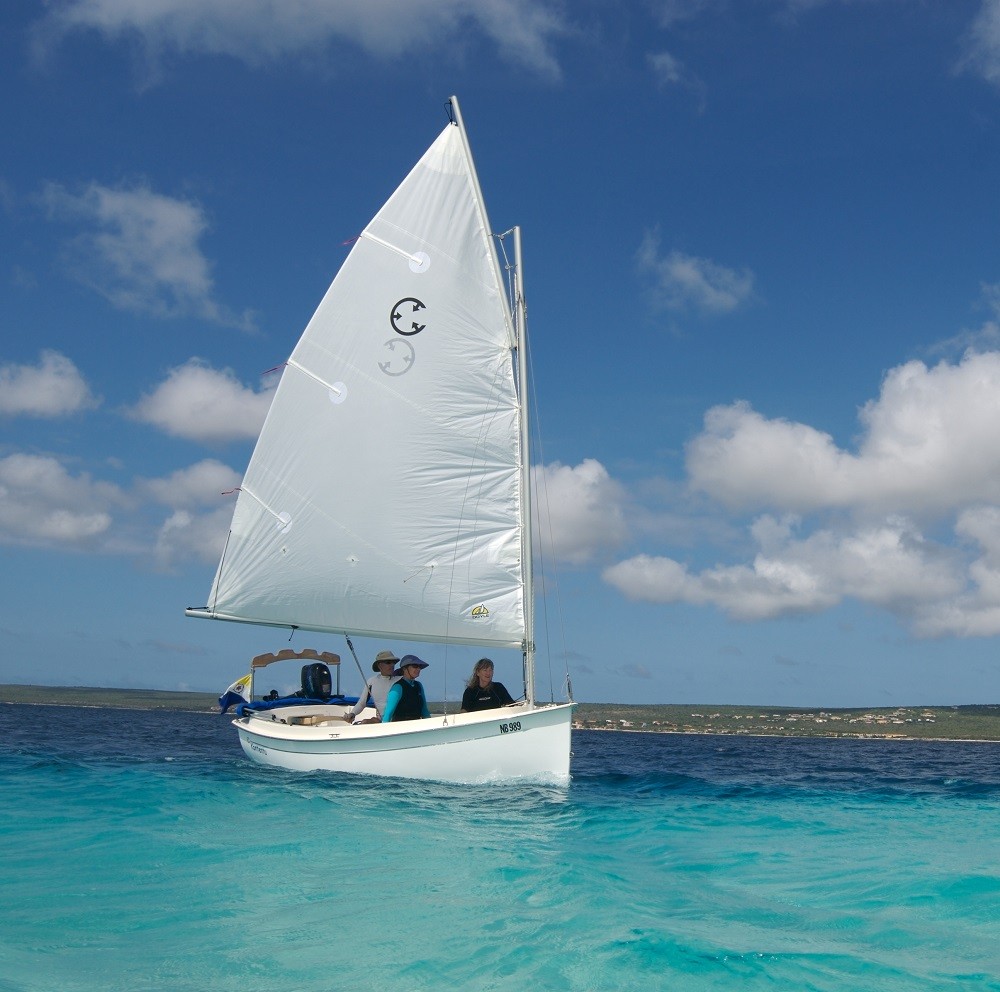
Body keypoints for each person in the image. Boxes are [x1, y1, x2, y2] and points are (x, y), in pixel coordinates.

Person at [344, 650, 400, 723]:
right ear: (379, 665)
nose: (392, 665)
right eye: (388, 662)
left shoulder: (400, 680)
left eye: (393, 663)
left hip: (398, 720)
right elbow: (362, 703)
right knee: (364, 722)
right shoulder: (371, 682)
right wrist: (352, 713)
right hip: (380, 721)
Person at [381, 655, 431, 722]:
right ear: (404, 668)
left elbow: (424, 711)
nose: (418, 669)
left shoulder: (418, 685)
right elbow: (388, 713)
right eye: (415, 666)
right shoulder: (398, 687)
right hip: (400, 727)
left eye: (420, 667)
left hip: (417, 726)